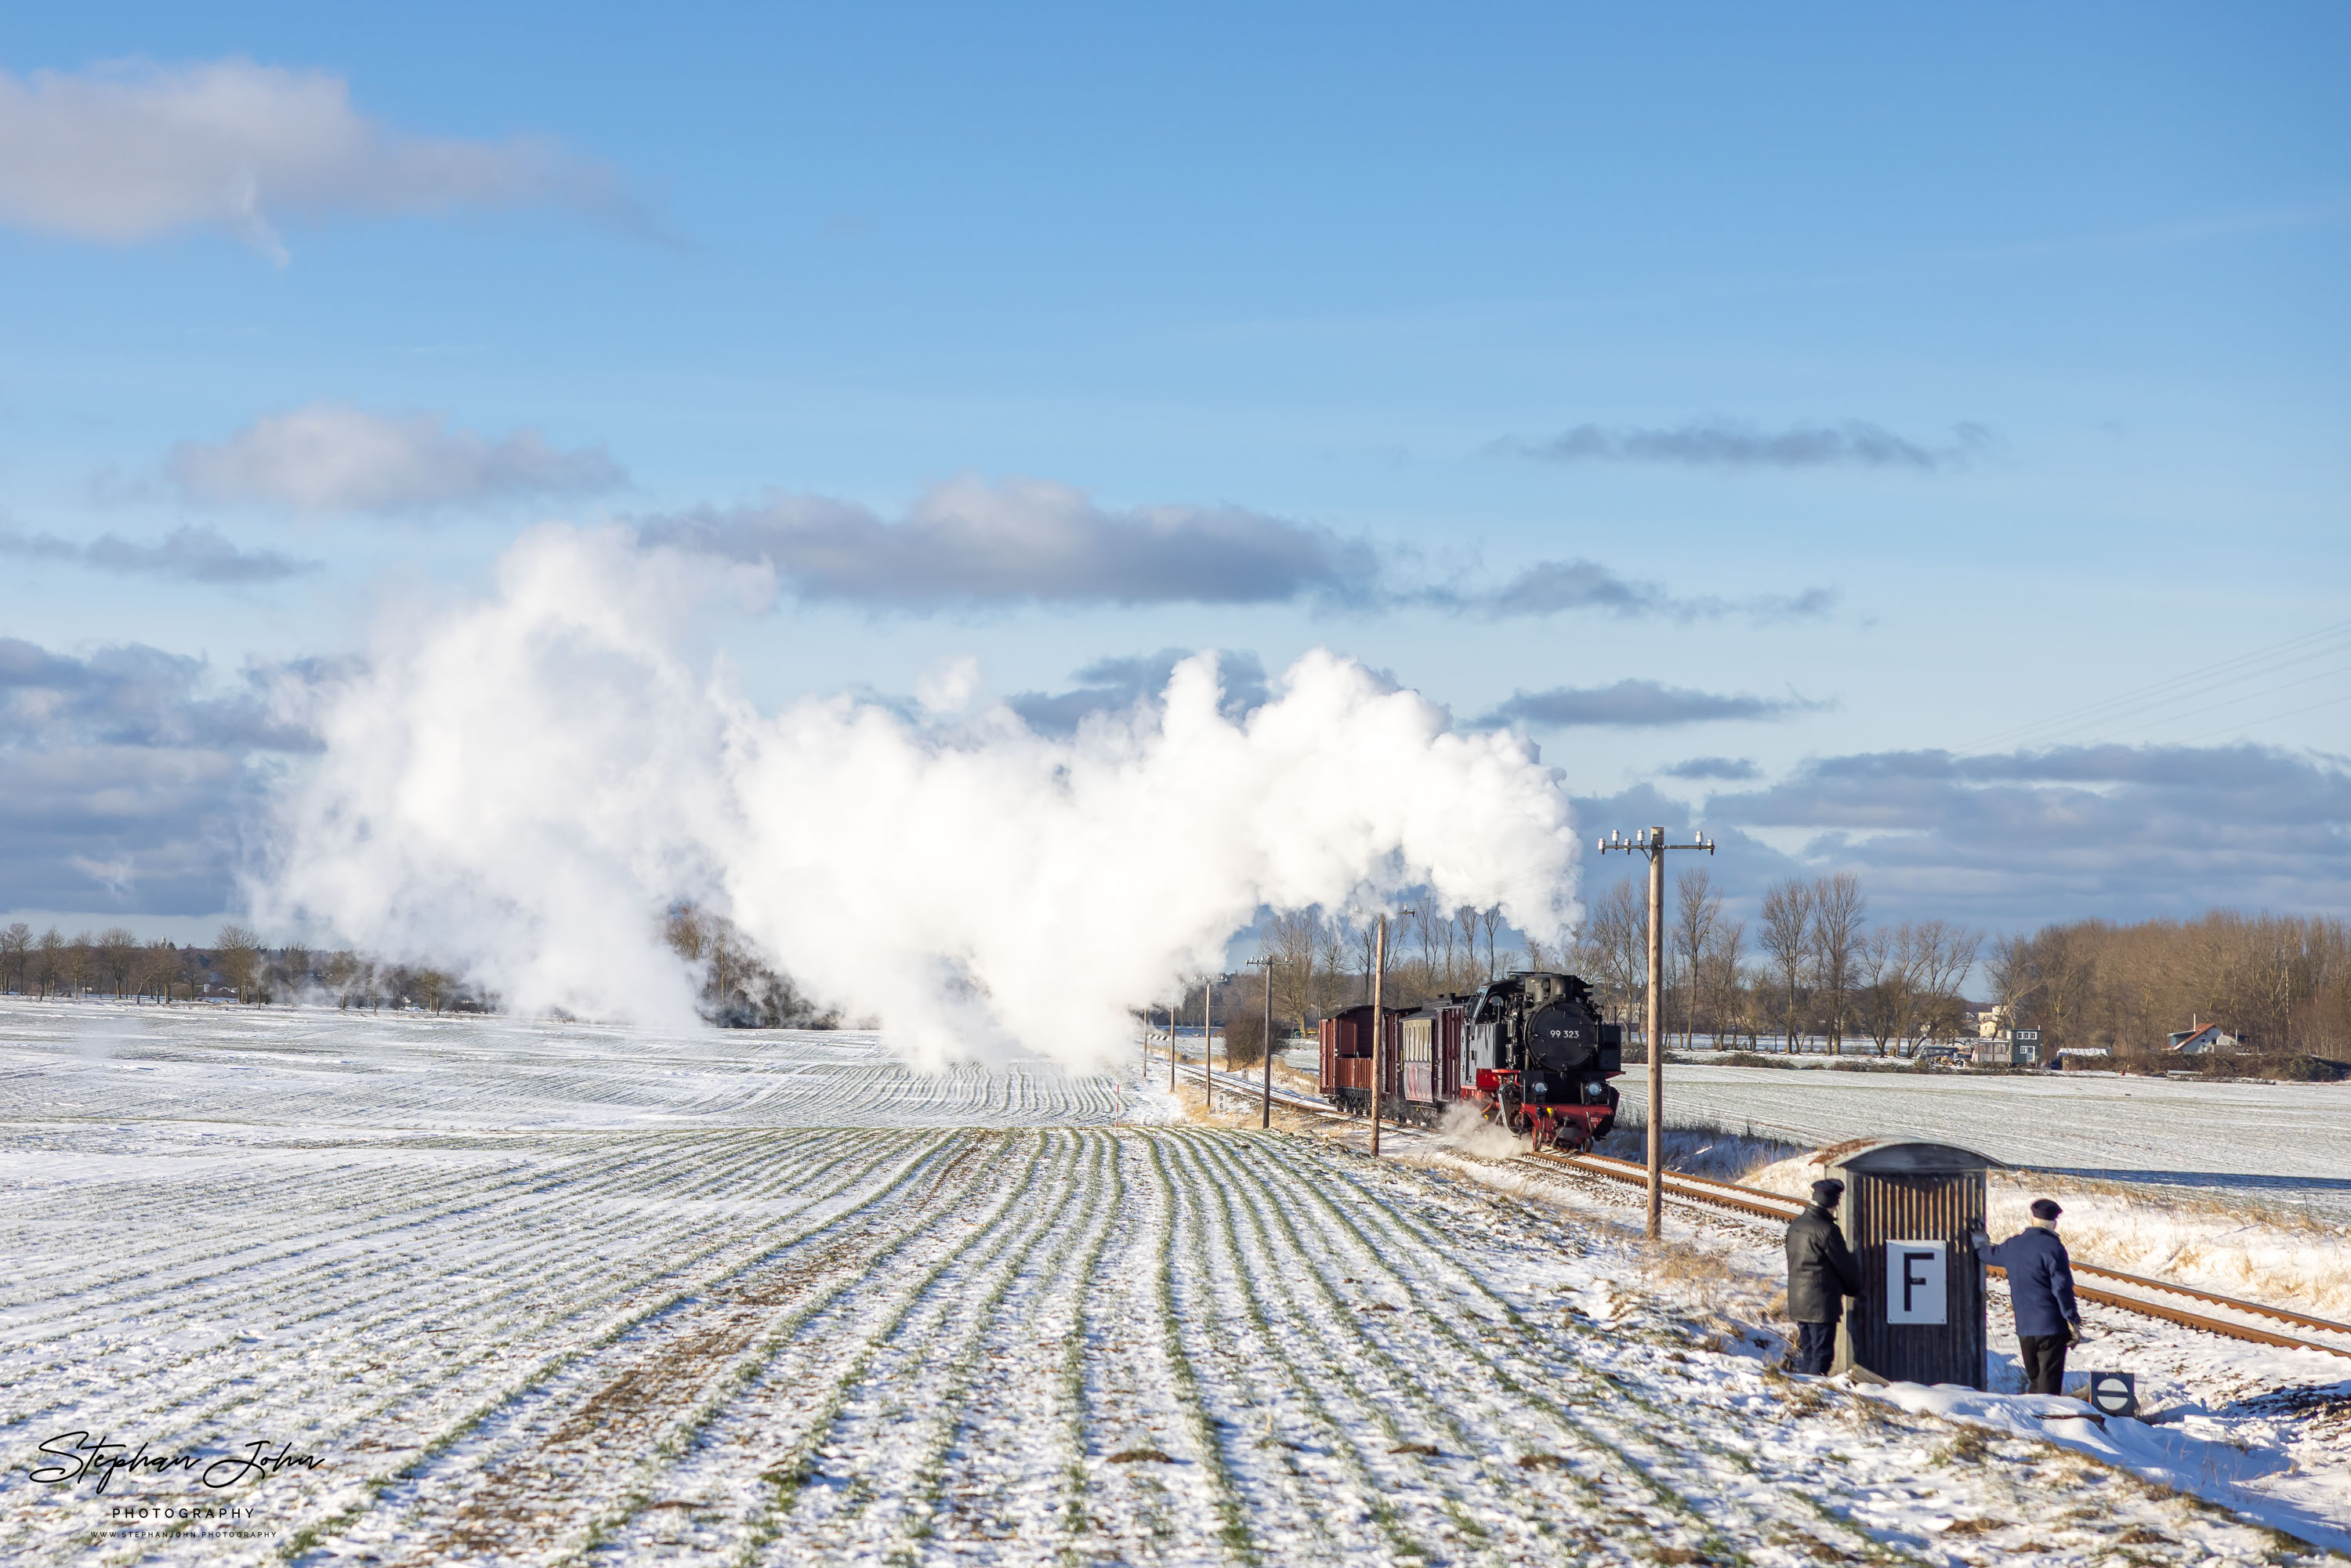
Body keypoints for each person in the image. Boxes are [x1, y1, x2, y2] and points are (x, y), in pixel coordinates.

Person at [1972, 1198, 2083, 1396]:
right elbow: (2062, 1288)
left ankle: (2033, 1414)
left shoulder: (2013, 1245)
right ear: (2054, 1223)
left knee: (2035, 1382)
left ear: (2032, 1219)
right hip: (2052, 1328)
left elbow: (1986, 1254)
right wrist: (2072, 1318)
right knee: (2048, 1388)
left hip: (2024, 1329)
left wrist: (1979, 1241)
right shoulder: (2053, 1248)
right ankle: (2045, 1415)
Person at [1784, 1178, 1862, 1375]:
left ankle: (1803, 1388)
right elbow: (1844, 1265)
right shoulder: (1827, 1230)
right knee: (1822, 1355)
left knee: (1809, 1353)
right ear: (1831, 1203)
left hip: (1798, 1300)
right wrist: (1855, 1288)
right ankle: (1814, 1390)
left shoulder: (1796, 1225)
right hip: (1821, 1302)